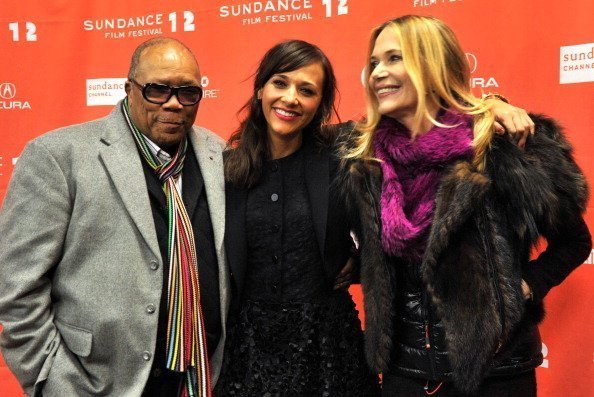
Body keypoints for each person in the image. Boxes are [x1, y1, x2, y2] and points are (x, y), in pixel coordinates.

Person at [343, 15, 592, 396]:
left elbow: (576, 242)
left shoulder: (503, 146)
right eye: (374, 62)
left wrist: (521, 289)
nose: (377, 72)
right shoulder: (365, 159)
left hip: (496, 374)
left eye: (394, 58)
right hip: (403, 374)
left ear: (433, 63)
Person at [0, 37, 230, 396]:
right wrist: (52, 382)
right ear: (129, 89)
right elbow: (16, 288)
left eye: (188, 92)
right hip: (96, 385)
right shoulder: (58, 156)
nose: (173, 103)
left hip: (200, 380)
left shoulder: (218, 153)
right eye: (157, 90)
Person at [216, 40, 380, 396]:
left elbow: (416, 126)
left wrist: (491, 107)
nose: (290, 98)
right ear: (261, 88)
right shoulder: (224, 169)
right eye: (280, 83)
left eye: (306, 90)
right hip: (248, 353)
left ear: (320, 104)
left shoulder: (342, 156)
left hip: (329, 350)